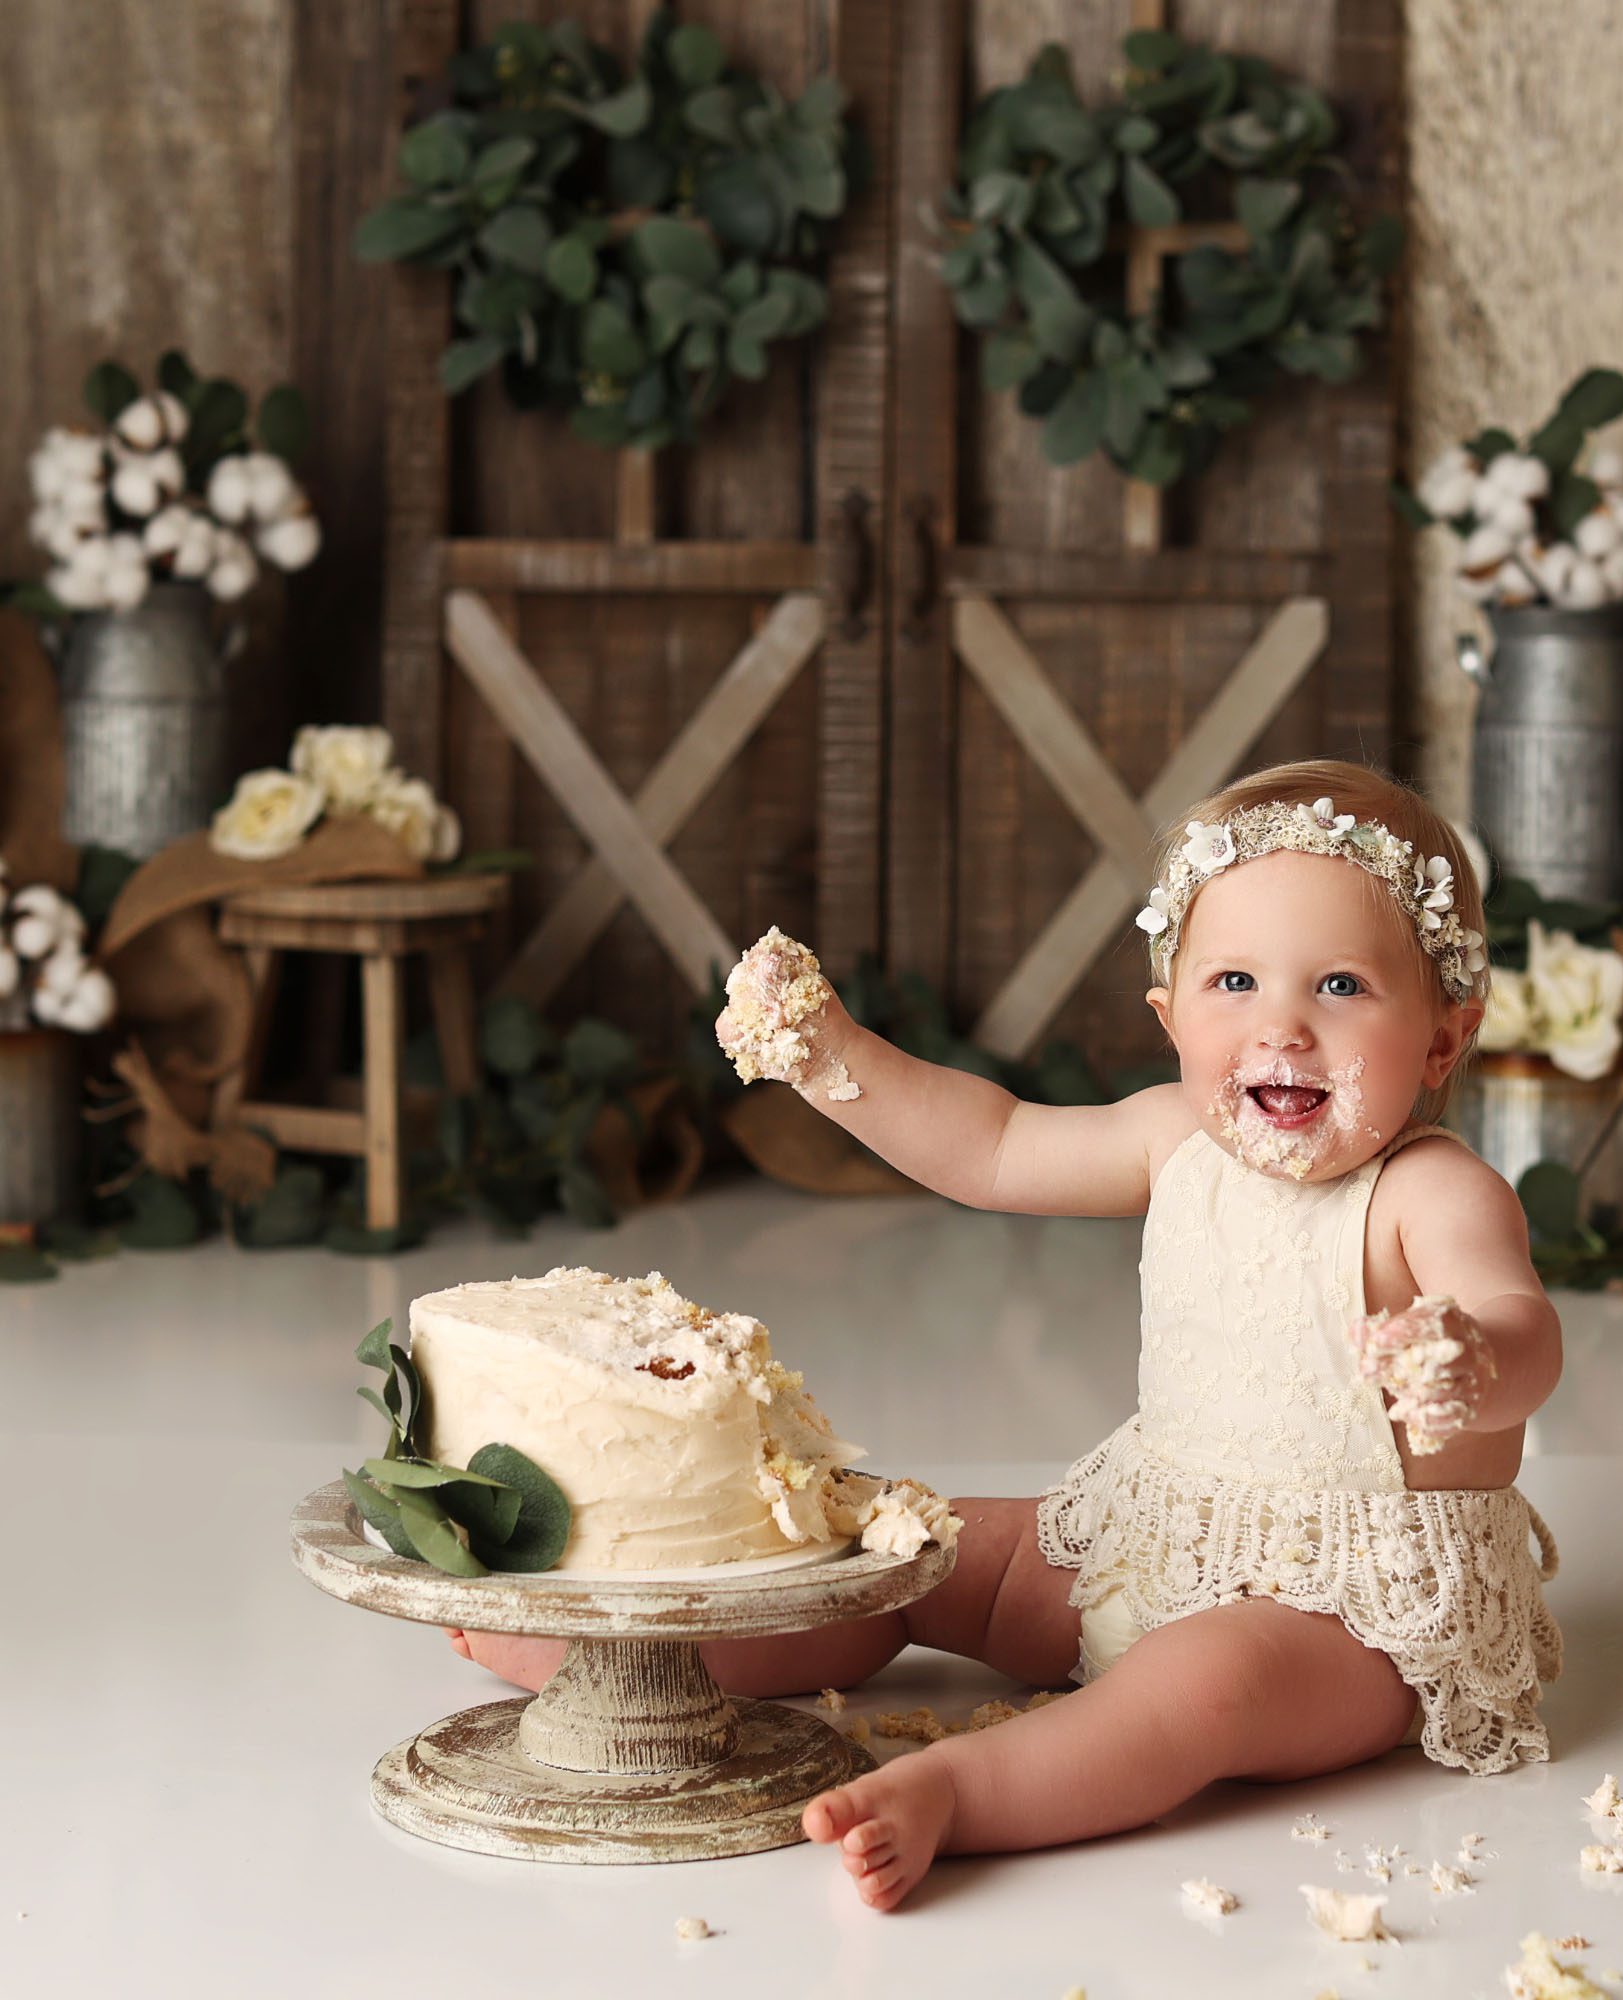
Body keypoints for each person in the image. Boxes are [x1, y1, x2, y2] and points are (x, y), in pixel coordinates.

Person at [449, 757, 1562, 1913]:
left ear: (1441, 1039)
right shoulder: (1168, 1134)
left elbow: (1521, 1322)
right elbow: (988, 1144)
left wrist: (1469, 1362)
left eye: (1338, 985)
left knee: (1199, 1681)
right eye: (1232, 979)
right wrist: (831, 1057)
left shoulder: (1430, 1191)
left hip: (1348, 1612)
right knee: (911, 1548)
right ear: (1168, 1014)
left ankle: (958, 1791)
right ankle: (638, 1660)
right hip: (1158, 1528)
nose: (1278, 1024)